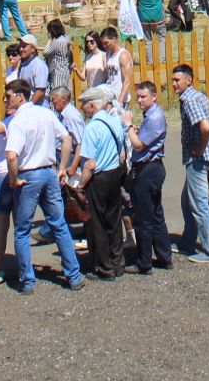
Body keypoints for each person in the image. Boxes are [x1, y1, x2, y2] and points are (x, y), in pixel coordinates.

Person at [0, 78, 87, 293]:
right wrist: (62, 167)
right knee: (59, 224)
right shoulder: (46, 113)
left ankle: (28, 280)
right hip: (49, 171)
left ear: (20, 96)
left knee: (22, 229)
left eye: (9, 96)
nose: (6, 100)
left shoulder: (18, 121)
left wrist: (13, 178)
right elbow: (67, 139)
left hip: (28, 174)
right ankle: (73, 275)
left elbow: (12, 156)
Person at [71, 84, 127, 279]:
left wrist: (81, 184)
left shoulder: (92, 128)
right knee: (114, 220)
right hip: (114, 175)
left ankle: (105, 267)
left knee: (99, 223)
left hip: (99, 179)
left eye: (84, 106)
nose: (83, 110)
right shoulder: (114, 122)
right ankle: (118, 262)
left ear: (93, 106)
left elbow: (90, 165)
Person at [170, 64, 209, 262]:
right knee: (187, 200)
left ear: (188, 80)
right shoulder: (197, 96)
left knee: (199, 204)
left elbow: (206, 127)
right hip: (202, 158)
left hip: (198, 159)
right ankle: (188, 242)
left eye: (177, 80)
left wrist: (199, 149)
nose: (173, 83)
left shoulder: (189, 100)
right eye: (173, 80)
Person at [125, 79, 172, 273]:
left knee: (144, 217)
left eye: (143, 97)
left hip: (149, 170)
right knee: (155, 214)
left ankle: (144, 262)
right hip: (150, 168)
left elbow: (138, 145)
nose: (140, 100)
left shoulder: (154, 117)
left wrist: (128, 126)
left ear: (154, 97)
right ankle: (164, 256)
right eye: (138, 97)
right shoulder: (150, 115)